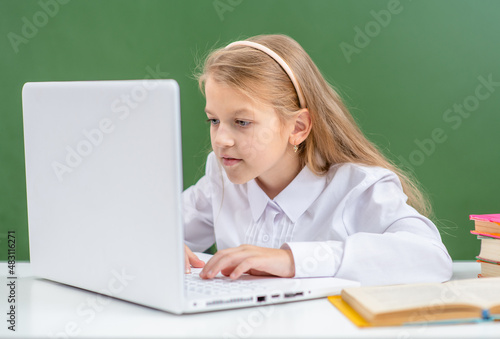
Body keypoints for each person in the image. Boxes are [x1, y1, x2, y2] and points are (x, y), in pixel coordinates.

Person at [183, 34, 452, 285]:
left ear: (298, 127)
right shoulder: (220, 177)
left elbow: (432, 257)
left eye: (242, 122)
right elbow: (153, 228)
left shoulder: (357, 187)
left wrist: (292, 260)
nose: (221, 140)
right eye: (214, 120)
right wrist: (161, 246)